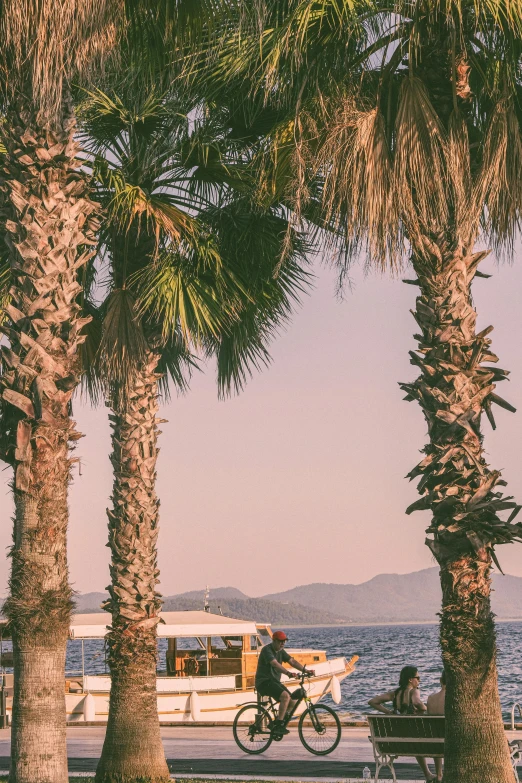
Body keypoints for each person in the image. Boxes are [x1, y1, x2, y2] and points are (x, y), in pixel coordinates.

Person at [368, 666, 437, 782]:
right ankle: (434, 774)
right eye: (418, 678)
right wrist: (426, 708)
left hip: (396, 741)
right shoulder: (414, 691)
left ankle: (428, 774)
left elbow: (372, 702)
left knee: (413, 738)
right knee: (419, 738)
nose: (419, 680)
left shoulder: (394, 694)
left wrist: (388, 712)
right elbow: (416, 702)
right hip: (415, 739)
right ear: (410, 679)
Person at [255, 630, 315, 737]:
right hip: (264, 682)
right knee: (285, 696)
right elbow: (275, 664)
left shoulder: (281, 651)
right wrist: (288, 673)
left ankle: (276, 722)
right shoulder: (266, 650)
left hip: (274, 682)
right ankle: (279, 725)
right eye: (280, 641)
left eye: (284, 641)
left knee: (292, 702)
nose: (282, 643)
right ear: (274, 641)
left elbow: (292, 662)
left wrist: (306, 671)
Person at [427, 670, 446, 782]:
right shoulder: (454, 697)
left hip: (433, 742)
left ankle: (439, 774)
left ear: (440, 681)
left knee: (437, 732)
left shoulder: (431, 698)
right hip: (450, 741)